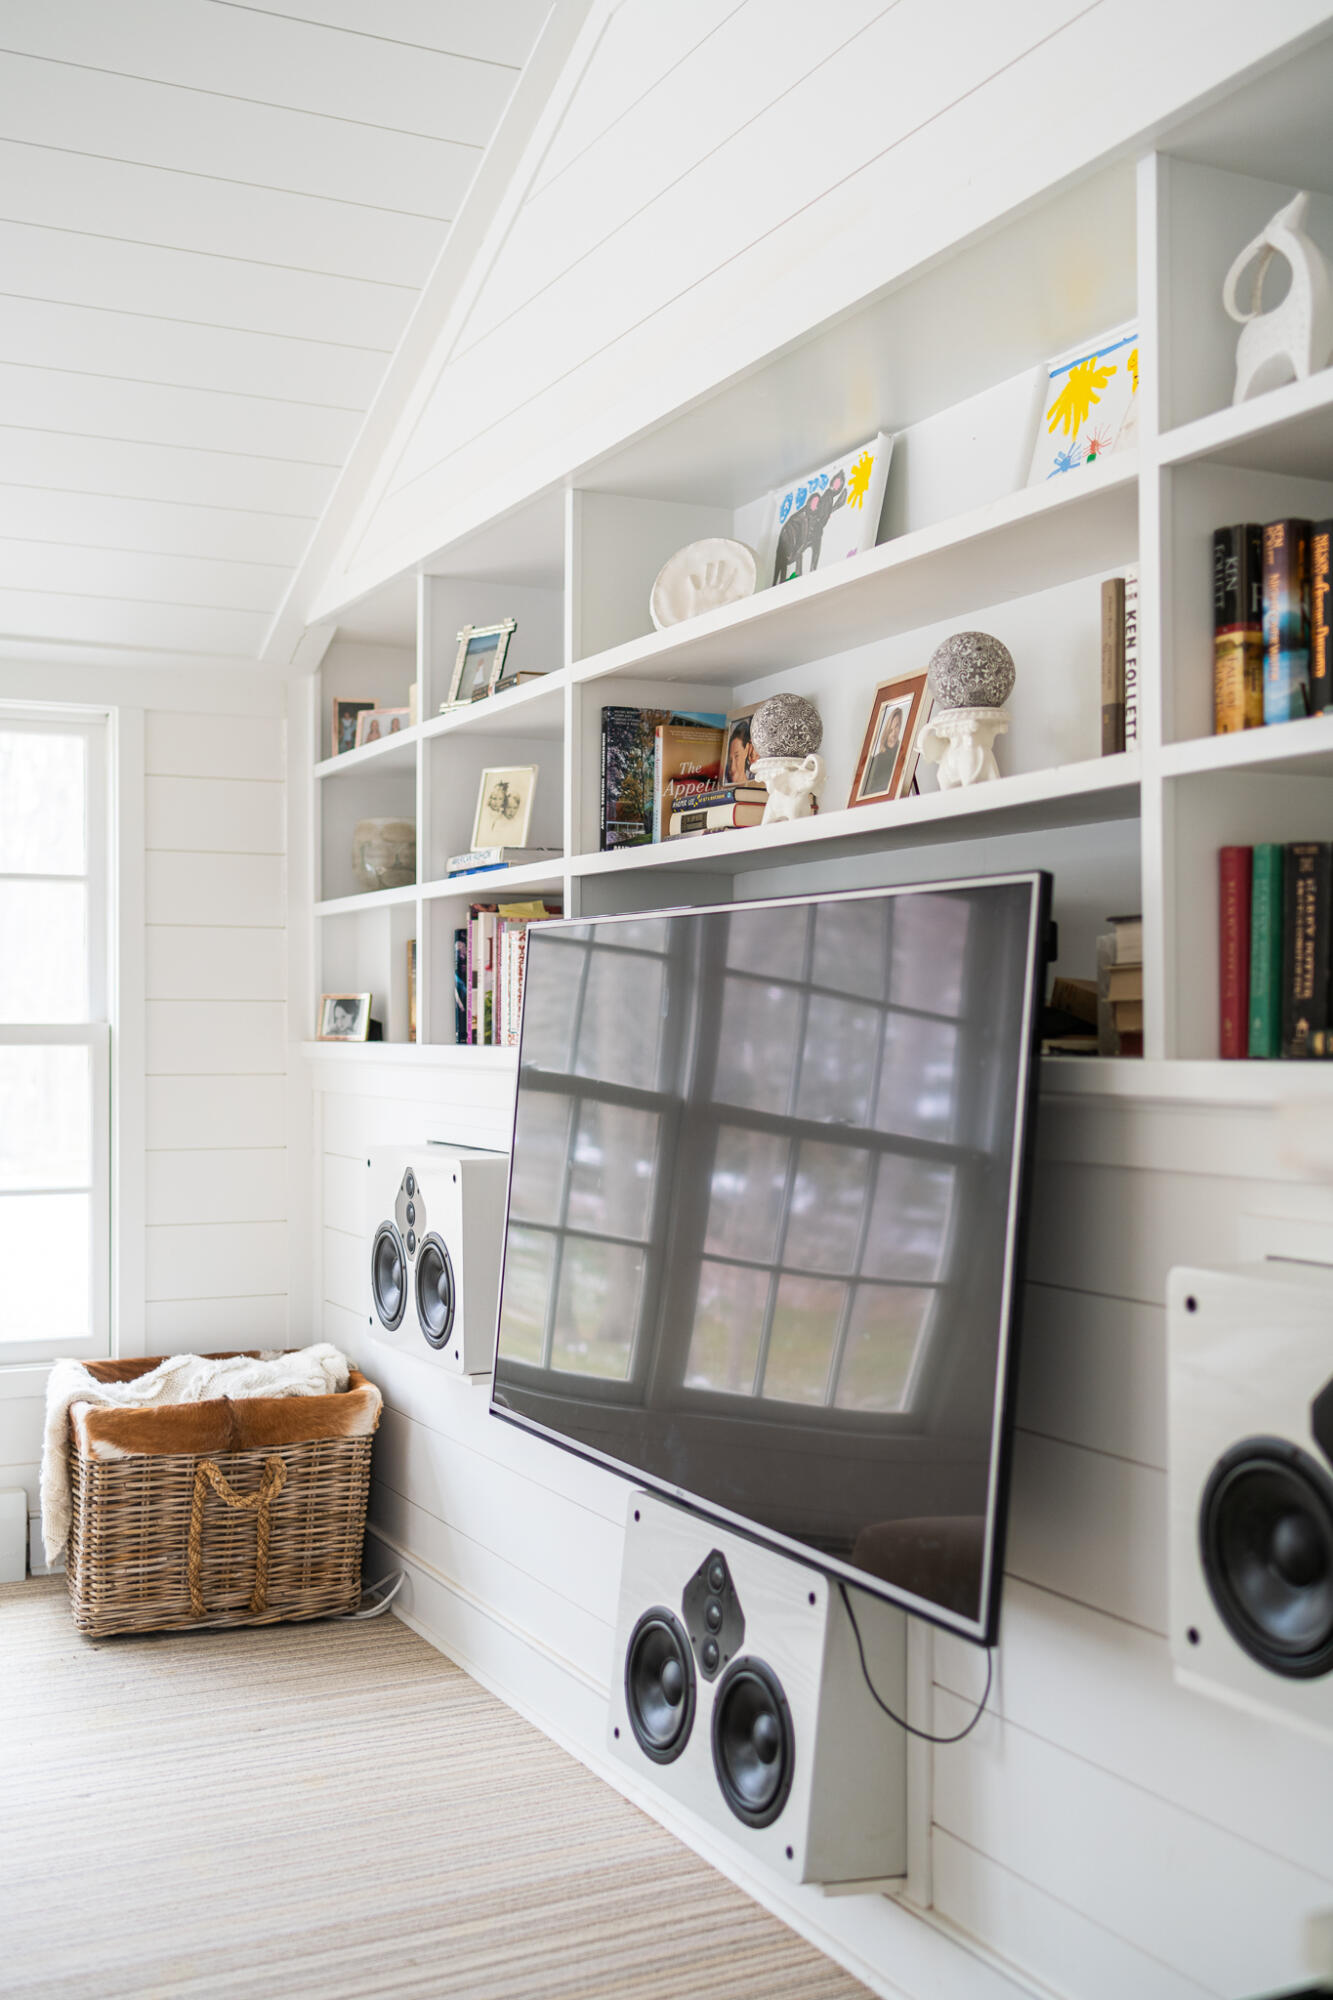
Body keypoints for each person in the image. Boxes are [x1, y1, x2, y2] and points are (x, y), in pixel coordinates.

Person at [861, 702, 905, 797]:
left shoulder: (902, 754)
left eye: (897, 726)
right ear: (887, 730)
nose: (893, 733)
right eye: (891, 729)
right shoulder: (876, 760)